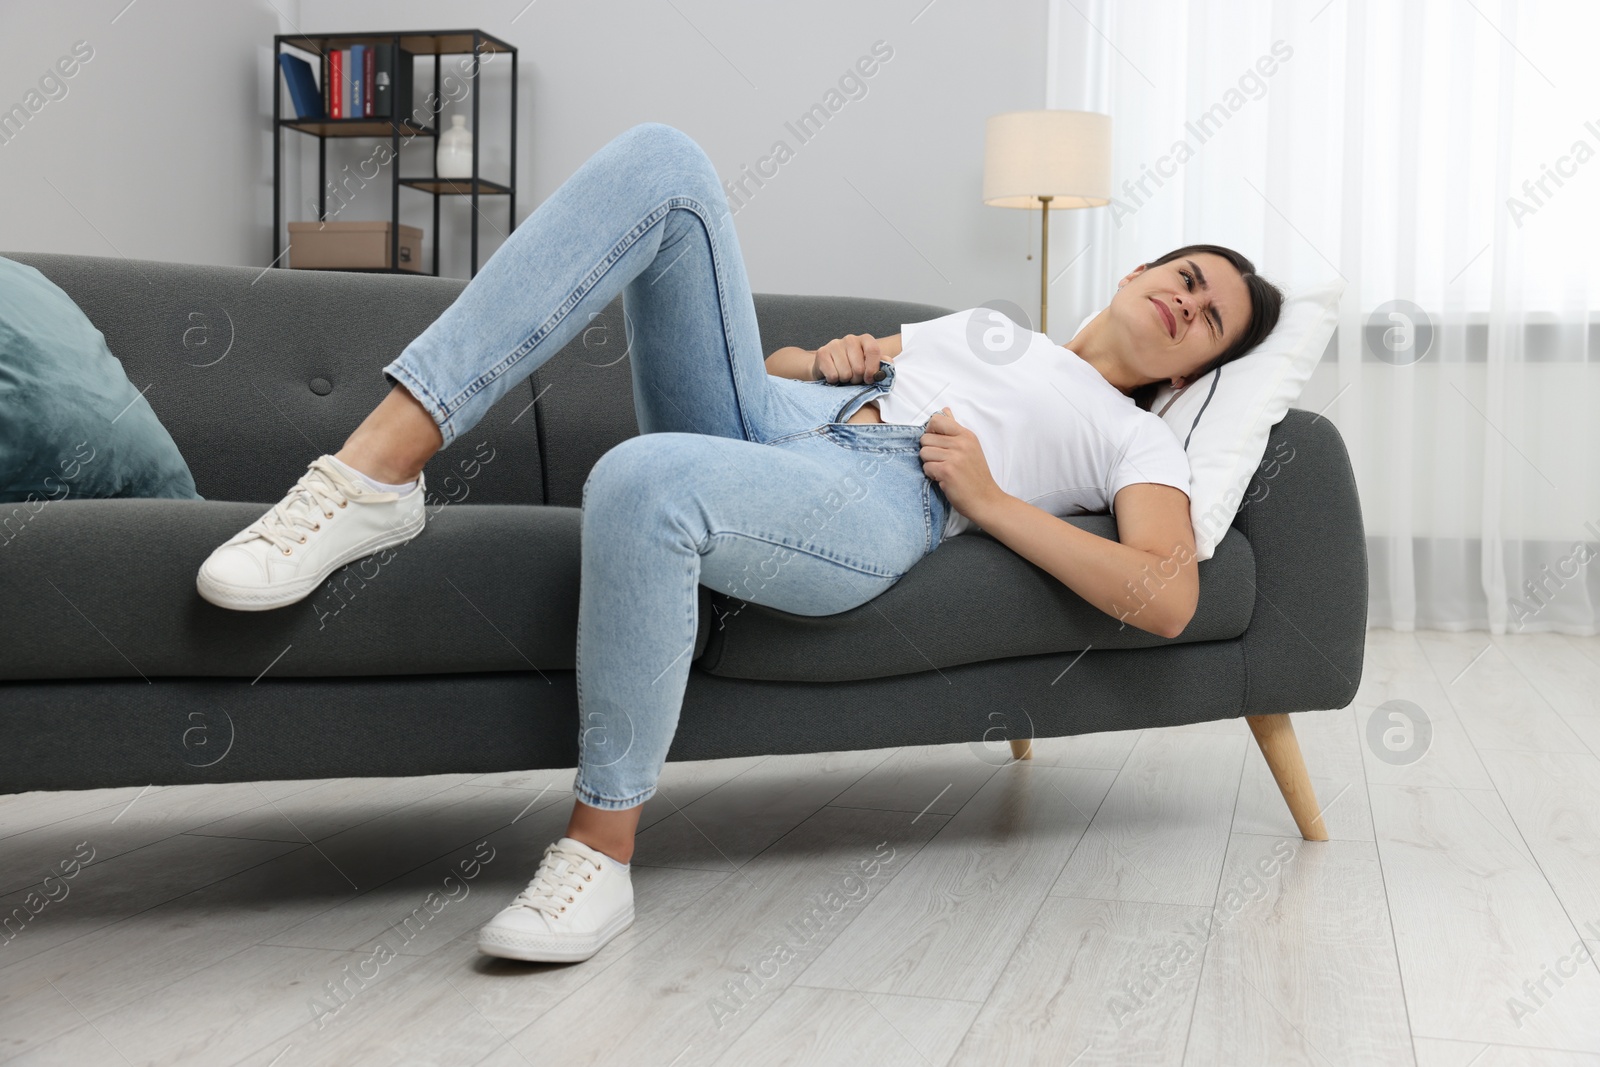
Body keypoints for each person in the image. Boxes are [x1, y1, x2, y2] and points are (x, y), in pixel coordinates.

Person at [195, 122, 1283, 965]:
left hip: (881, 488)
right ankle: (371, 471)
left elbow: (1167, 594)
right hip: (781, 413)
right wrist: (830, 355)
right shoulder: (994, 329)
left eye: (1211, 317)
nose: (1187, 302)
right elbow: (808, 364)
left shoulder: (1139, 437)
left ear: (1192, 370)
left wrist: (993, 503)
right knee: (666, 160)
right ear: (1141, 271)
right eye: (1185, 275)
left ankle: (598, 852)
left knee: (642, 476)